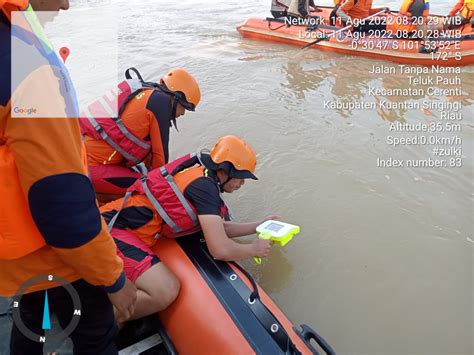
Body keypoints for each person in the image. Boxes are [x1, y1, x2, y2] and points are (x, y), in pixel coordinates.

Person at [0, 1, 136, 354]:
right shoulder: (28, 70)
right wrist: (114, 278)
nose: (67, 4)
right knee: (95, 337)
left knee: (32, 323)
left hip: (16, 253)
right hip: (52, 256)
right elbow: (61, 201)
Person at [99, 135, 278, 320]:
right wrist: (253, 250)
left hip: (121, 227)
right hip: (112, 231)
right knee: (165, 290)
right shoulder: (204, 188)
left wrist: (258, 226)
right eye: (240, 177)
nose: (242, 183)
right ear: (225, 170)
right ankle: (99, 321)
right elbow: (219, 249)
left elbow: (218, 228)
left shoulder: (204, 176)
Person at [81, 67, 200, 203]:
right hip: (92, 167)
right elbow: (160, 159)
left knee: (140, 177)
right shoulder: (160, 103)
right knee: (147, 187)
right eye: (184, 107)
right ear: (177, 96)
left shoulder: (145, 91)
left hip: (82, 154)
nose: (183, 113)